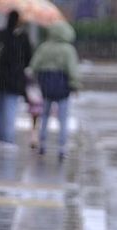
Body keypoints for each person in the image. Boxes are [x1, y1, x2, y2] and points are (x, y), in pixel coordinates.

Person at [30, 21, 82, 161]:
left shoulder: (44, 47)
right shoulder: (68, 50)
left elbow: (34, 65)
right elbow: (72, 70)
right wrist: (75, 86)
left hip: (46, 86)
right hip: (63, 87)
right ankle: (62, 148)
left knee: (44, 116)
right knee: (63, 118)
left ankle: (42, 144)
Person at [0, 12, 33, 146]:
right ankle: (7, 139)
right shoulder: (23, 38)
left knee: (0, 109)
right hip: (14, 79)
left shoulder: (0, 34)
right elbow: (28, 58)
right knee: (10, 109)